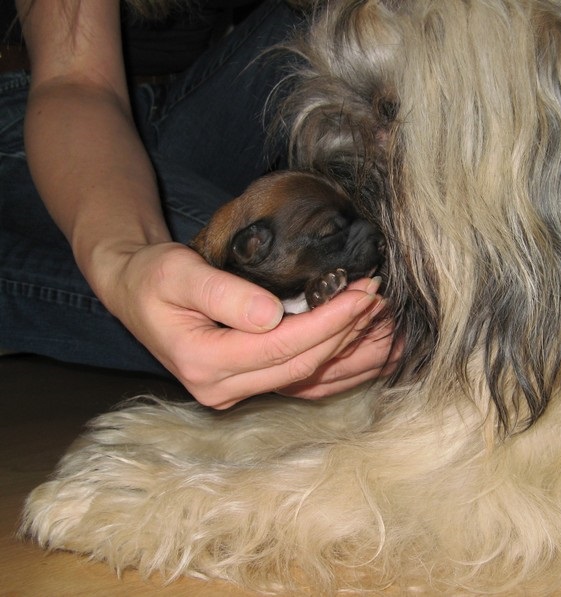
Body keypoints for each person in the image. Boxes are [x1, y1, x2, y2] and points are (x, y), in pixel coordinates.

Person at [0, 0, 396, 409]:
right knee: (214, 299)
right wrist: (126, 258)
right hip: (47, 109)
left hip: (179, 98)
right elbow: (75, 81)